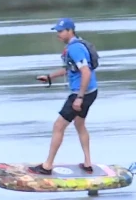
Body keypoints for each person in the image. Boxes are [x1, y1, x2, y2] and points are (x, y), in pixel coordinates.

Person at [29, 17, 98, 175]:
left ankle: (47, 166)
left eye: (60, 31)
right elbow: (71, 69)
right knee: (79, 125)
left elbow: (86, 72)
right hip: (91, 91)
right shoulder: (76, 45)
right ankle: (87, 163)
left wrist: (79, 97)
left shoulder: (75, 48)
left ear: (70, 31)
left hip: (81, 93)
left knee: (58, 126)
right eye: (57, 31)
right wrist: (49, 77)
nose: (58, 34)